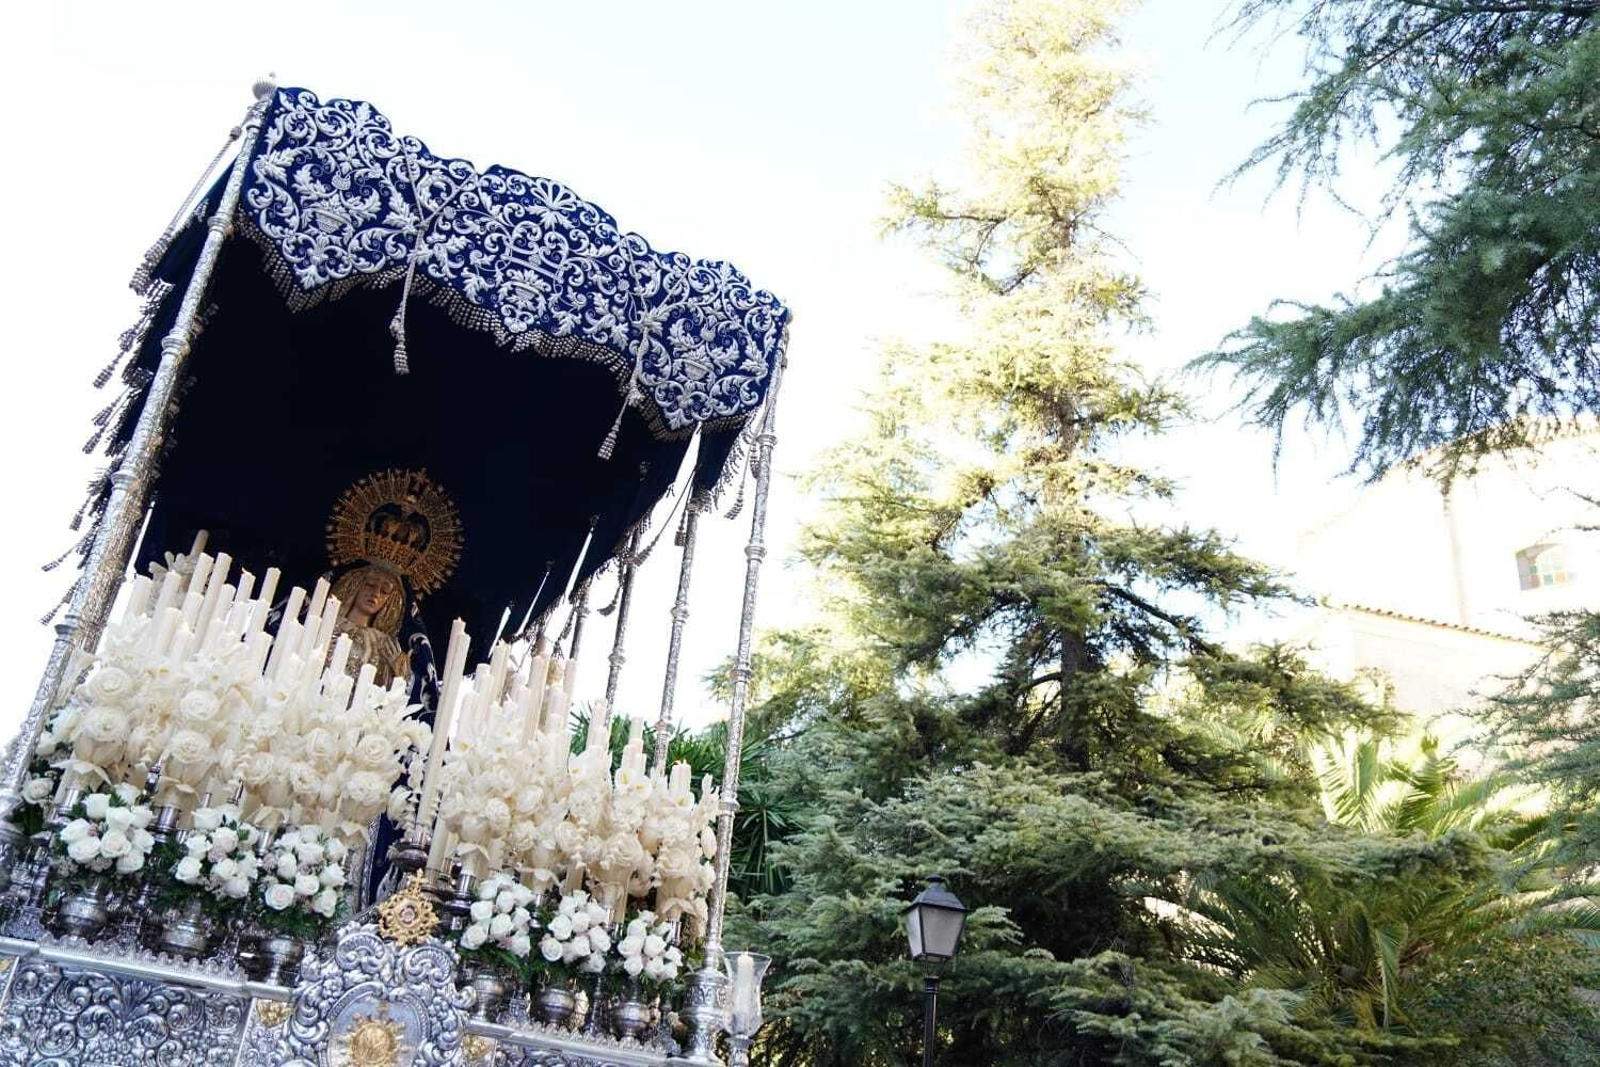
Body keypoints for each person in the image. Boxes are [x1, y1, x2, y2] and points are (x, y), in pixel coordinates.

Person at [328, 562, 411, 688]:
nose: (376, 593)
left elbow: (388, 691)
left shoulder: (386, 644)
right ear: (356, 585)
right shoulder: (329, 623)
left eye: (384, 591)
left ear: (390, 601)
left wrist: (398, 675)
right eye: (370, 584)